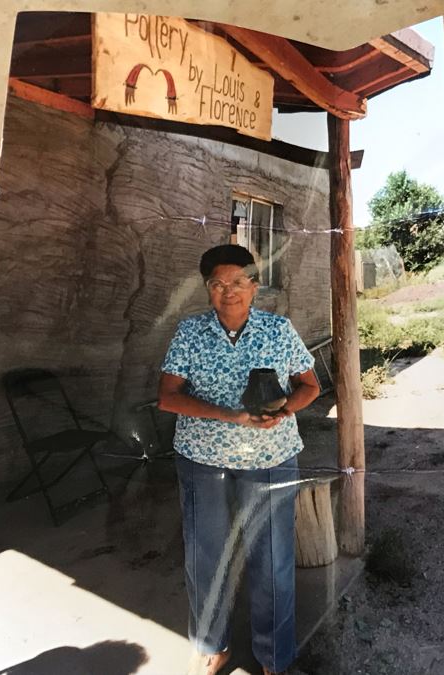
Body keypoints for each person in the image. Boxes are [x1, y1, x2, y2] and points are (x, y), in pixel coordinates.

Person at [158, 244, 320, 675]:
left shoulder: (278, 330)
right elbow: (168, 397)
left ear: (254, 285)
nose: (228, 291)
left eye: (238, 282)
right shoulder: (190, 333)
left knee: (272, 557)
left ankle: (273, 656)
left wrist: (282, 412)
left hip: (270, 455)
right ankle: (214, 646)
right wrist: (231, 415)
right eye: (217, 283)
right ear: (208, 289)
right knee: (205, 555)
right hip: (202, 458)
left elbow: (309, 385)